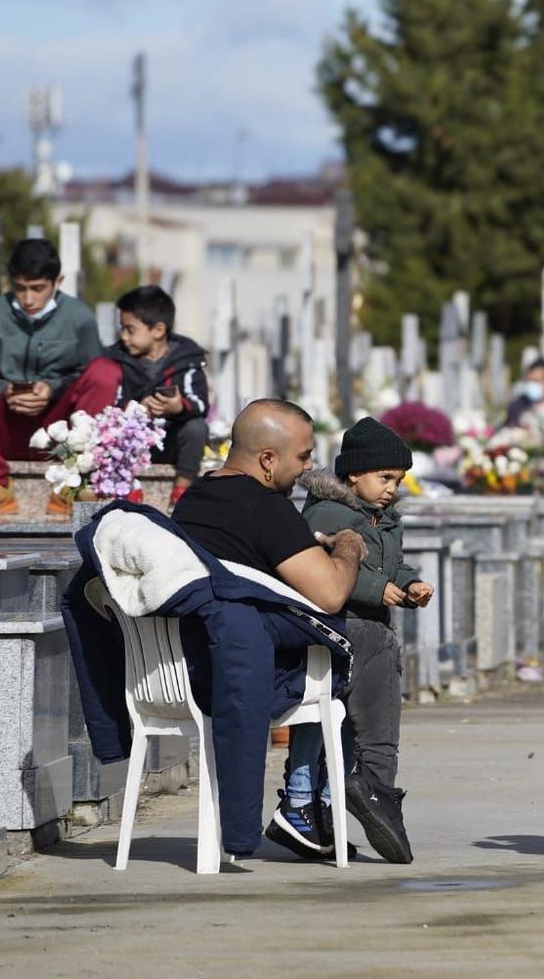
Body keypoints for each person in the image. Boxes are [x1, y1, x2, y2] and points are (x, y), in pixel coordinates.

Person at [170, 398, 366, 859]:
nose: (308, 467)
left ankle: (311, 801)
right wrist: (350, 546)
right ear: (267, 460)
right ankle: (318, 800)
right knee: (369, 644)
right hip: (244, 676)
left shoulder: (193, 498)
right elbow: (331, 592)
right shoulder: (265, 507)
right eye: (303, 456)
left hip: (184, 665)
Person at [297, 417, 433, 864]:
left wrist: (410, 585)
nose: (392, 488)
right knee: (341, 724)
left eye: (399, 479)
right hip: (338, 628)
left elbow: (391, 566)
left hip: (368, 630)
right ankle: (368, 790)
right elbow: (321, 570)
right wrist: (376, 590)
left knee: (347, 727)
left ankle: (336, 803)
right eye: (385, 477)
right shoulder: (328, 514)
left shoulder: (385, 520)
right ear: (354, 474)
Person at [0, 238, 119, 519]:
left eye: (37, 289)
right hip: (2, 429)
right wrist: (5, 388)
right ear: (10, 282)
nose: (28, 299)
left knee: (105, 371)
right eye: (21, 288)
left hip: (57, 432)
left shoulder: (80, 318)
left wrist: (53, 389)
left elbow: (87, 375)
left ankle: (71, 484)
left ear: (57, 281)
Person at [107, 285, 211, 504]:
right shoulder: (118, 360)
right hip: (135, 444)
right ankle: (127, 485)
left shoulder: (187, 361)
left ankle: (182, 487)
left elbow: (201, 404)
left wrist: (178, 406)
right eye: (122, 329)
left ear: (158, 330)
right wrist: (136, 408)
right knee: (116, 430)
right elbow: (112, 403)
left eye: (130, 330)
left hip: (172, 439)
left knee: (196, 427)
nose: (124, 337)